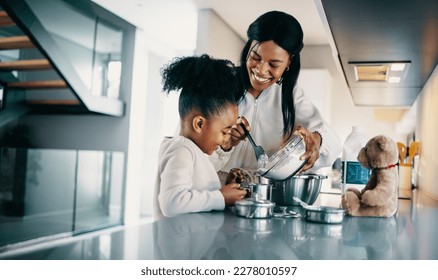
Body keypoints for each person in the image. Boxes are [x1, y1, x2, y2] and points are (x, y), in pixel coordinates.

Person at [211, 10, 342, 175]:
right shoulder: (219, 85)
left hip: (262, 196)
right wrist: (225, 145)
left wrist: (316, 139)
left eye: (273, 64)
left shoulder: (291, 95)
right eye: (255, 58)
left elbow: (335, 144)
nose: (261, 70)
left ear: (288, 63)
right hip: (213, 194)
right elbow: (189, 150)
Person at [154, 54, 247, 218]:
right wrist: (221, 197)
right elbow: (172, 203)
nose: (226, 139)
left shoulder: (193, 151)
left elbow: (197, 194)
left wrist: (226, 188)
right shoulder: (181, 150)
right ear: (199, 124)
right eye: (224, 132)